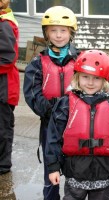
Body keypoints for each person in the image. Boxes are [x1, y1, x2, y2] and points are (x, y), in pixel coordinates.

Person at [45, 50, 109, 200]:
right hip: (75, 174)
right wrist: (53, 167)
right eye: (85, 77)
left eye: (96, 78)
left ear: (105, 80)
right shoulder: (65, 105)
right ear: (77, 77)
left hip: (106, 173)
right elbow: (53, 138)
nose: (90, 82)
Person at [23, 6, 79, 200]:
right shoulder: (37, 63)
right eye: (53, 30)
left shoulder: (80, 60)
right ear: (46, 33)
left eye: (63, 30)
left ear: (71, 32)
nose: (58, 35)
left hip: (76, 124)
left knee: (76, 172)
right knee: (51, 172)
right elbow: (32, 94)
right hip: (50, 124)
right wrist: (53, 110)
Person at [0, 0, 19, 175]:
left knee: (2, 129)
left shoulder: (4, 25)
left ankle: (3, 166)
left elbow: (7, 58)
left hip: (4, 90)